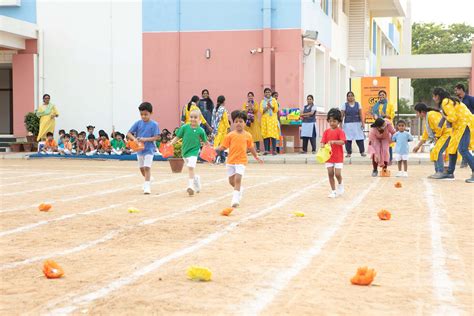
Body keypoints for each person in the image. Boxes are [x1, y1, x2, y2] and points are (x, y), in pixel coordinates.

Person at [216, 110, 262, 207]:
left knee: (237, 179)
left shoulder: (248, 135)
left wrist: (256, 156)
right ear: (233, 123)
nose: (238, 123)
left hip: (241, 161)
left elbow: (251, 147)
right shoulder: (230, 135)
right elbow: (223, 147)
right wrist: (215, 150)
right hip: (231, 161)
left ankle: (235, 199)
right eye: (236, 121)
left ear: (245, 123)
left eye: (241, 121)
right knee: (231, 181)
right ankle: (240, 189)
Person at [432, 88, 474, 182]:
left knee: (463, 149)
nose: (433, 98)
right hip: (458, 126)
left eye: (434, 96)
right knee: (452, 148)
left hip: (464, 124)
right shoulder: (448, 101)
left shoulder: (445, 102)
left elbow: (453, 118)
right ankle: (450, 172)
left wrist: (444, 116)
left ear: (437, 96)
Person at [169, 109, 209, 196]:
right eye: (191, 117)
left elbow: (206, 142)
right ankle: (196, 179)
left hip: (194, 152)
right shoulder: (184, 127)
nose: (193, 119)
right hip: (185, 152)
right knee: (190, 168)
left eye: (195, 117)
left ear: (199, 119)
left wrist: (210, 149)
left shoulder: (201, 130)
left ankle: (190, 186)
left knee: (191, 167)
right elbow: (178, 137)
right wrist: (171, 143)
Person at [127, 102, 161, 194]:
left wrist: (145, 139)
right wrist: (135, 139)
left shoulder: (154, 124)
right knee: (141, 169)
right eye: (141, 114)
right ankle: (149, 179)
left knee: (147, 167)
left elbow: (157, 137)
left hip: (149, 149)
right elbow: (129, 133)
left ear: (151, 113)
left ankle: (147, 186)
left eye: (146, 114)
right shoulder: (138, 123)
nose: (143, 116)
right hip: (139, 150)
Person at [413, 103, 451, 178]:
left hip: (447, 134)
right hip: (440, 136)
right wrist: (418, 146)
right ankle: (437, 171)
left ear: (422, 112)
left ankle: (441, 172)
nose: (417, 115)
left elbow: (440, 126)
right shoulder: (427, 118)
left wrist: (437, 137)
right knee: (433, 150)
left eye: (417, 112)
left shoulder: (431, 115)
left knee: (437, 150)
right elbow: (425, 134)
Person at [321, 108, 346, 198]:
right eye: (330, 121)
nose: (332, 123)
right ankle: (333, 191)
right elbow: (322, 142)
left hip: (338, 157)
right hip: (328, 157)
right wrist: (322, 145)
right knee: (330, 173)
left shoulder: (340, 131)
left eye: (334, 121)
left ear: (338, 122)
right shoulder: (326, 132)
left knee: (337, 174)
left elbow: (343, 142)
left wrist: (334, 142)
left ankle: (340, 183)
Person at [454, 83, 474, 168]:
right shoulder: (457, 101)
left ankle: (467, 161)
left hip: (470, 124)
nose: (455, 92)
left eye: (456, 90)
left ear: (461, 89)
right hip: (461, 126)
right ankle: (465, 161)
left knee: (469, 143)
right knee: (464, 144)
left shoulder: (470, 99)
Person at [371, 90, 395, 162]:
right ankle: (379, 160)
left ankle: (389, 159)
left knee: (388, 143)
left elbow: (392, 115)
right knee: (378, 143)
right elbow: (374, 115)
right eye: (380, 95)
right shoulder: (376, 105)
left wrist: (385, 115)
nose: (381, 96)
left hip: (387, 126)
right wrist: (375, 117)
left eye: (383, 95)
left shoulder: (390, 104)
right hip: (378, 127)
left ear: (386, 96)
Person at [341, 91, 366, 157]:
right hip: (348, 125)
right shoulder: (344, 105)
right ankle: (349, 153)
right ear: (347, 97)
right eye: (349, 96)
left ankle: (362, 152)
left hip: (357, 124)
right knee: (348, 139)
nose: (350, 97)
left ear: (354, 97)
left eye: (351, 95)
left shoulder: (358, 104)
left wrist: (362, 123)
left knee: (359, 138)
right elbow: (342, 116)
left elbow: (361, 114)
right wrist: (340, 125)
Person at [260, 88, 280, 155]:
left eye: (268, 92)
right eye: (266, 92)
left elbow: (276, 110)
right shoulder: (262, 101)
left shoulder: (274, 100)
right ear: (264, 93)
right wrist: (267, 108)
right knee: (266, 135)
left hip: (272, 120)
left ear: (270, 93)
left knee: (273, 135)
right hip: (265, 120)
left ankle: (274, 150)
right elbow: (261, 111)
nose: (267, 93)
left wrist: (271, 106)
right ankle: (266, 150)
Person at [212, 95, 230, 163]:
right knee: (222, 144)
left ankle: (221, 158)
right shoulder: (223, 109)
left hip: (215, 129)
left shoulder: (214, 109)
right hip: (222, 129)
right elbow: (225, 120)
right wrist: (228, 128)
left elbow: (212, 119)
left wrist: (213, 127)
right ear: (224, 101)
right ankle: (218, 158)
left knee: (216, 144)